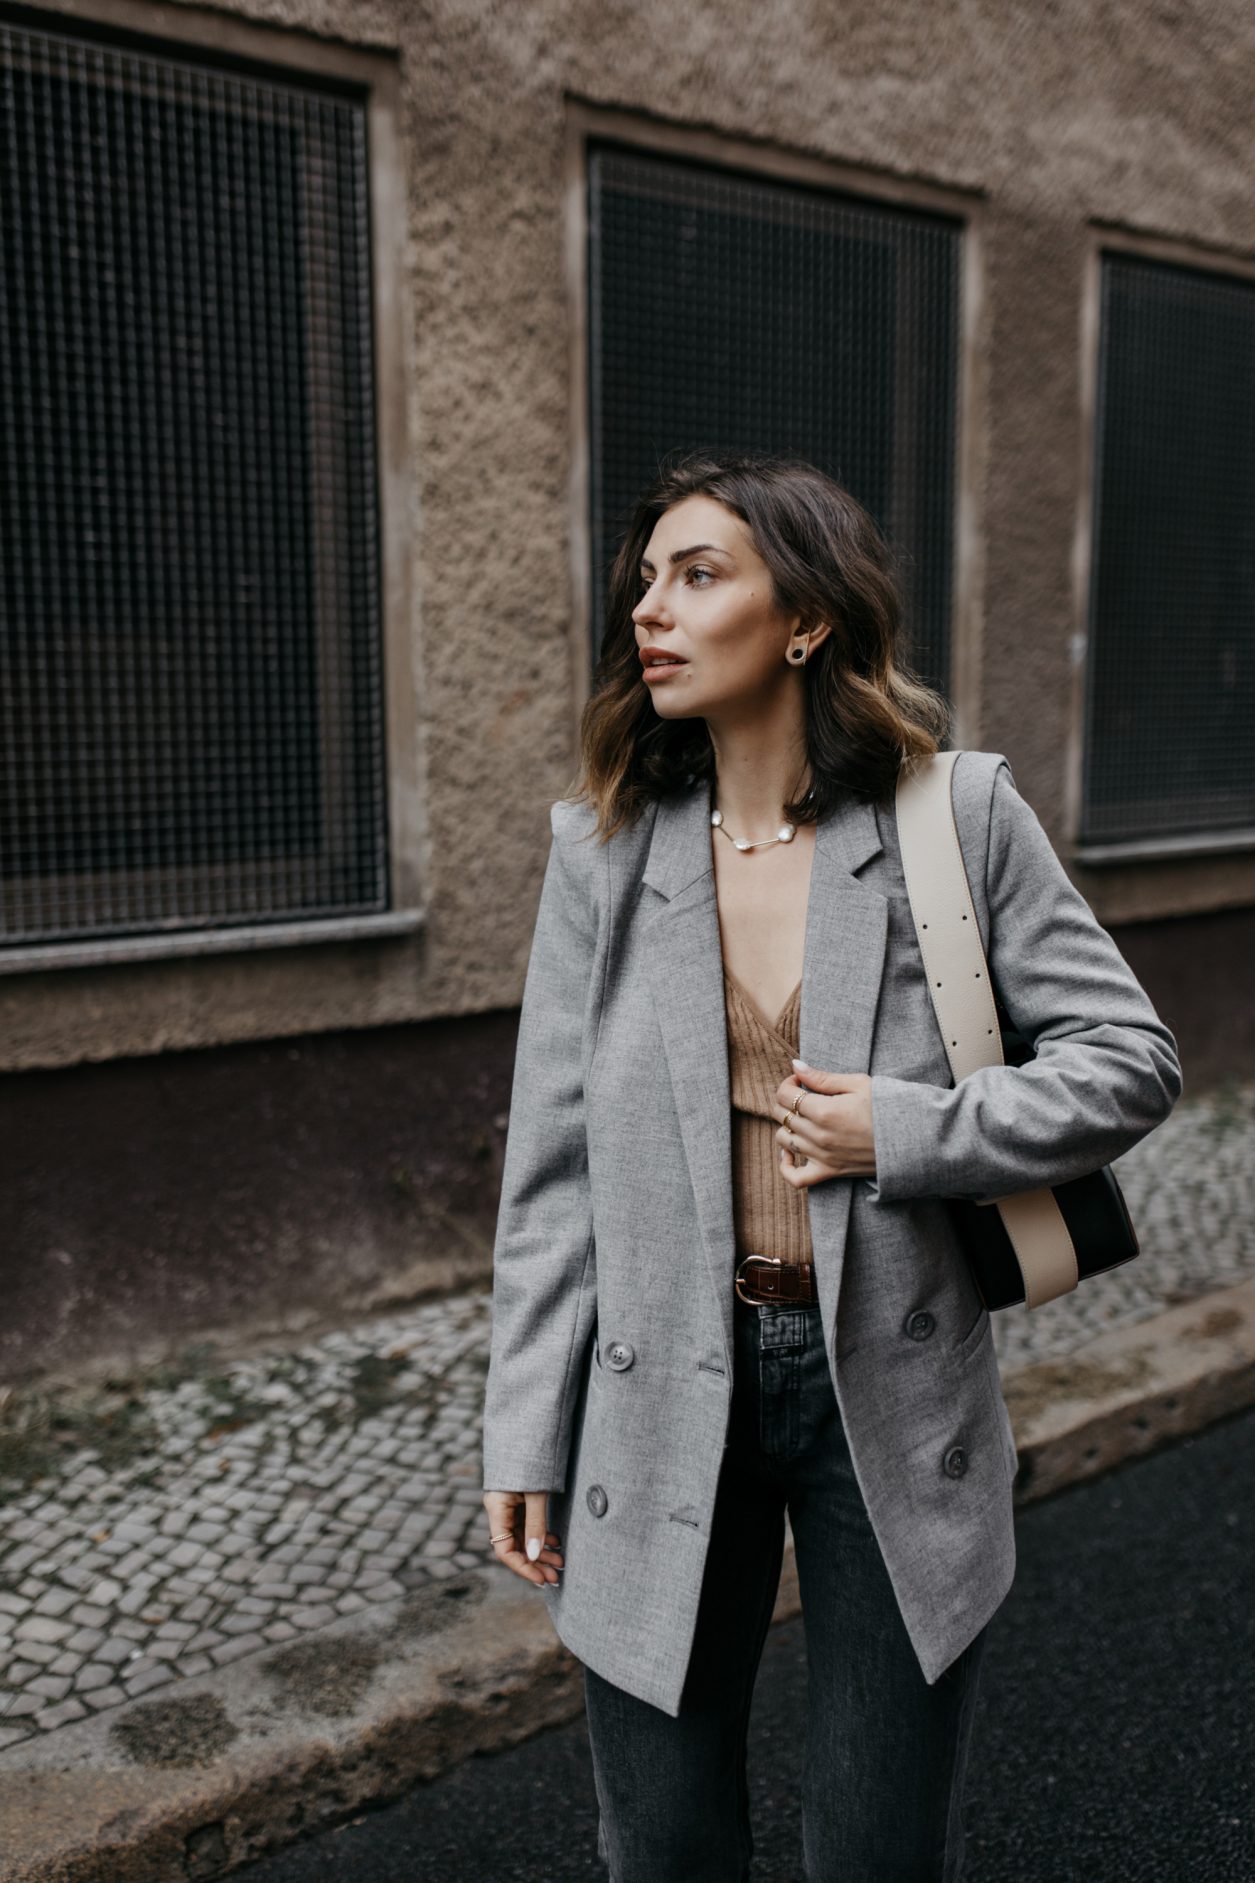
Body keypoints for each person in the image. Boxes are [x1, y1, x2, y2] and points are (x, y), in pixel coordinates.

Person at [480, 450, 1182, 1881]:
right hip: (661, 1379)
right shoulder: (605, 854)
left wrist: (910, 1133)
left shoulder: (955, 818)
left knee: (874, 1847)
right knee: (663, 1843)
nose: (649, 613)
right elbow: (552, 1167)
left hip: (891, 1380)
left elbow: (1130, 1056)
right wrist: (523, 1426)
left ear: (803, 619)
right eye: (646, 582)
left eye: (698, 575)